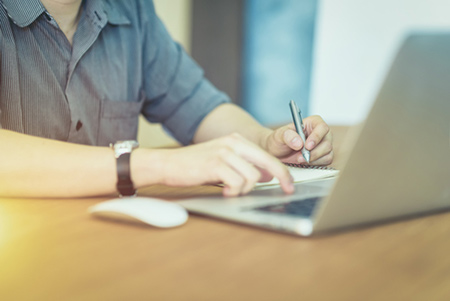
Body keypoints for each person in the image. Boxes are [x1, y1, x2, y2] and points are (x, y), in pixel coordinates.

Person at [0, 0, 333, 198]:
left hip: (106, 239)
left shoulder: (131, 9)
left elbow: (196, 105)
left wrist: (266, 143)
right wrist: (157, 165)